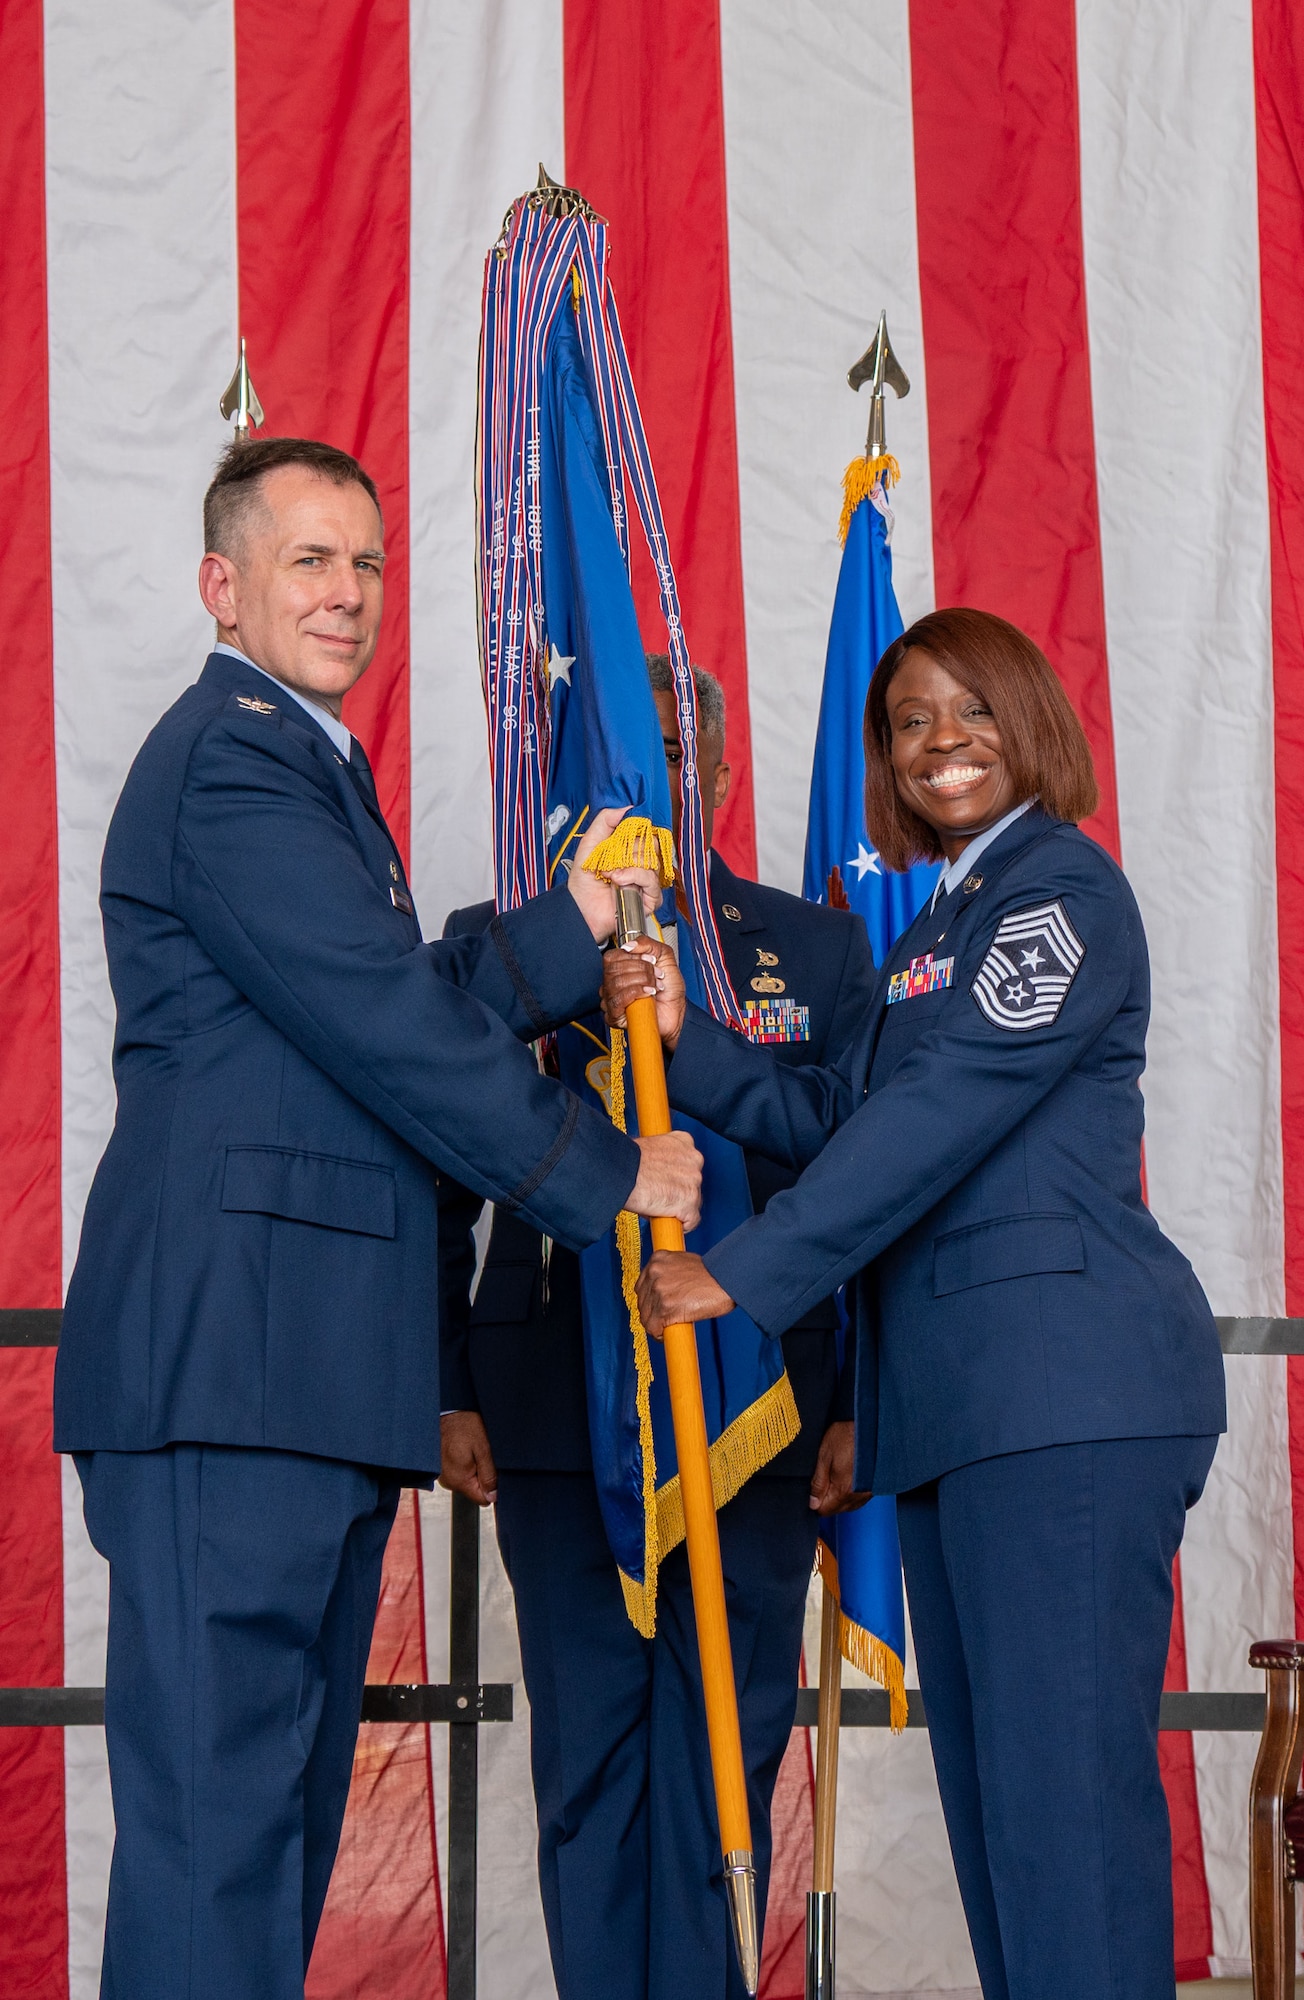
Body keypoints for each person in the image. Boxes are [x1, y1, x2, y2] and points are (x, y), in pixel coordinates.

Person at [53, 436, 701, 2000]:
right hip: (234, 1370)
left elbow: (382, 1002)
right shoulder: (233, 757)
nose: (346, 594)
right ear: (224, 584)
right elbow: (382, 1025)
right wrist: (607, 1172)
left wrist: (576, 926)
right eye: (307, 561)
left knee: (267, 1840)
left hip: (302, 1380)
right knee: (221, 1844)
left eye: (364, 563)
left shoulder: (312, 770)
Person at [611, 609, 1226, 2000]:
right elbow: (842, 1114)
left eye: (971, 709)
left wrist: (746, 1269)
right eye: (908, 721)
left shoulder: (1061, 895)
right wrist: (681, 1047)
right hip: (965, 1410)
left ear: (1033, 725)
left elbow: (942, 1115)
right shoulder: (940, 920)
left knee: (1062, 1821)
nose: (940, 740)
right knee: (1006, 1828)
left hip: (1064, 1397)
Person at [437, 657, 876, 2000]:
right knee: (587, 1764)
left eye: (684, 762)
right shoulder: (505, 950)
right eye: (630, 768)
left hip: (759, 1415)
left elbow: (863, 1179)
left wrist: (856, 1397)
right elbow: (437, 1170)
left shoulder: (810, 947)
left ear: (726, 776)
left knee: (725, 1756)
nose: (661, 790)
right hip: (559, 1411)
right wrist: (448, 1383)